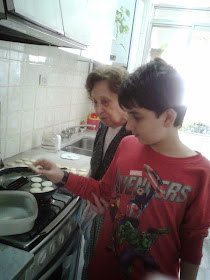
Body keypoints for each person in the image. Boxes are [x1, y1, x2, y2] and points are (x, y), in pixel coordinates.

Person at [34, 58, 210, 280]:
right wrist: (60, 175)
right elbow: (102, 192)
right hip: (102, 271)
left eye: (136, 116)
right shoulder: (127, 146)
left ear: (168, 117)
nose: (128, 126)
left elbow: (193, 241)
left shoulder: (200, 173)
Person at [78, 65, 132, 280]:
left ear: (124, 98)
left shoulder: (134, 133)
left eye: (105, 101)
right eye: (95, 102)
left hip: (113, 217)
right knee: (88, 259)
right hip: (94, 204)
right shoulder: (104, 125)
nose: (98, 109)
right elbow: (97, 163)